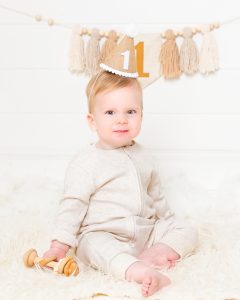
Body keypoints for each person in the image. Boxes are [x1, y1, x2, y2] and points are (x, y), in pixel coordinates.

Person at [43, 70, 198, 297]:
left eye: (131, 111)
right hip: (106, 233)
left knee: (189, 229)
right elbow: (72, 206)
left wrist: (167, 229)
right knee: (90, 246)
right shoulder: (86, 162)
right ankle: (140, 271)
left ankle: (156, 252)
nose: (121, 119)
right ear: (92, 121)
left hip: (145, 232)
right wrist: (59, 245)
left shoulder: (145, 156)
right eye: (110, 112)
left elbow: (157, 197)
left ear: (141, 116)